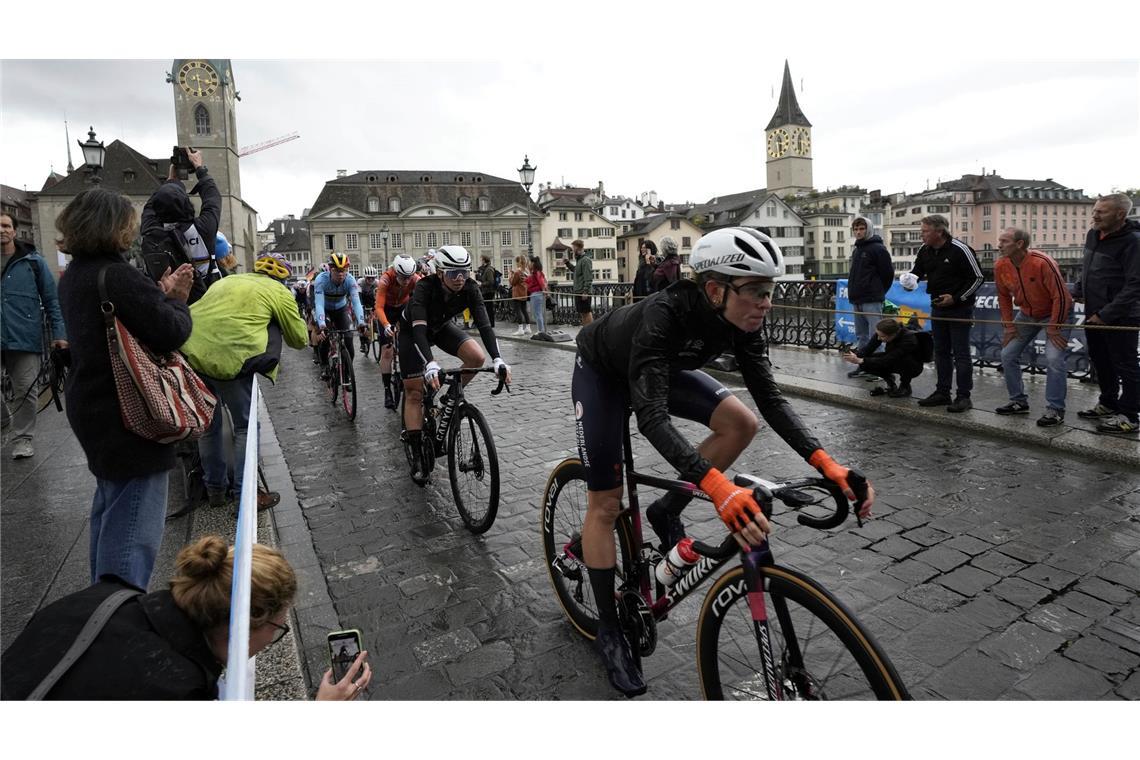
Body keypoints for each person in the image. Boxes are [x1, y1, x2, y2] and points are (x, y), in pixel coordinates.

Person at [572, 226, 873, 697]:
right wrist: (718, 488)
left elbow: (771, 400)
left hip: (661, 368)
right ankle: (609, 632)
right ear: (715, 290)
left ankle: (664, 509)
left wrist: (826, 464)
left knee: (742, 422)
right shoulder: (665, 312)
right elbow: (650, 416)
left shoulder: (744, 322)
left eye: (770, 291)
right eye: (755, 291)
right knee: (606, 504)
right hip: (604, 373)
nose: (766, 302)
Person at [1, 536, 371, 700]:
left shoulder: (106, 597)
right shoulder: (178, 690)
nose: (269, 643)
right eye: (277, 630)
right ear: (246, 624)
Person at [56, 188, 194, 591]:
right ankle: (119, 611)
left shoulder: (75, 275)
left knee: (110, 508)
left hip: (92, 405)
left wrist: (156, 296)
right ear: (114, 228)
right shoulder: (116, 275)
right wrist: (177, 300)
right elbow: (170, 332)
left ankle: (101, 600)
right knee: (134, 524)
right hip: (130, 412)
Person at [180, 252, 309, 508]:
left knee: (209, 426)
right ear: (281, 278)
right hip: (232, 360)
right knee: (245, 429)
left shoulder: (227, 281)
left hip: (193, 354)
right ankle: (245, 496)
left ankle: (215, 490)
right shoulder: (279, 292)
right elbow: (299, 340)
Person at [399, 245, 511, 485]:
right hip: (413, 333)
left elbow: (484, 325)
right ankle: (417, 454)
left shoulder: (470, 287)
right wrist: (429, 363)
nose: (460, 278)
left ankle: (449, 396)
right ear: (440, 273)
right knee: (414, 392)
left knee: (476, 357)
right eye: (452, 273)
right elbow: (419, 330)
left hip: (440, 328)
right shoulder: (424, 288)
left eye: (464, 272)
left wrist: (498, 359)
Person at [1, 213, 68, 460]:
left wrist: (59, 333)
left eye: (6, 225)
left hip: (24, 335)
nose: (2, 230)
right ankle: (4, 420)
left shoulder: (32, 261)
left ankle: (22, 439)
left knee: (25, 390)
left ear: (15, 231)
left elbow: (52, 300)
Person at [993, 227, 1074, 427]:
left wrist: (1054, 326)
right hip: (1027, 314)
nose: (999, 245)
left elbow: (1061, 297)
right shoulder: (1001, 265)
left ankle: (1055, 409)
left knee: (1054, 358)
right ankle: (1018, 401)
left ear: (1019, 244)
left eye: (1004, 241)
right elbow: (1003, 296)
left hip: (1056, 313)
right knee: (1007, 355)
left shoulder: (1042, 262)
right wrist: (1009, 326)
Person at [1074, 193, 1140, 434]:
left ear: (1120, 214)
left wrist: (1107, 313)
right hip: (1093, 311)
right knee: (1101, 361)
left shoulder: (1133, 241)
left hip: (1121, 316)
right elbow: (1087, 266)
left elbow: (1135, 284)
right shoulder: (1094, 234)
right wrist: (1079, 289)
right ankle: (1108, 403)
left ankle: (1130, 416)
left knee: (1127, 365)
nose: (1095, 215)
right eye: (1095, 210)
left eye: (1101, 212)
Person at [905, 214, 983, 413]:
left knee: (961, 353)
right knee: (940, 351)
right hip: (937, 305)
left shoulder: (960, 250)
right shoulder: (925, 250)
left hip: (959, 308)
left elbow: (977, 278)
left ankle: (964, 396)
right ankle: (942, 392)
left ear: (939, 231)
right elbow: (918, 271)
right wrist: (910, 281)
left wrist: (956, 298)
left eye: (925, 231)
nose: (921, 235)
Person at [139, 147, 222, 304]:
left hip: (166, 305)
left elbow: (151, 206)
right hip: (204, 304)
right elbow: (213, 198)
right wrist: (199, 168)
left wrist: (171, 181)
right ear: (187, 204)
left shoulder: (150, 230)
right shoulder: (203, 229)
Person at [846, 216, 894, 378]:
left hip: (872, 299)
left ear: (869, 229)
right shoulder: (857, 249)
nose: (858, 232)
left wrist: (878, 292)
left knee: (878, 335)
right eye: (856, 229)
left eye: (862, 229)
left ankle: (878, 369)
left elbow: (888, 274)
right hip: (857, 299)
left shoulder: (878, 249)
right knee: (862, 336)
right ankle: (864, 365)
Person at [375, 254, 422, 410]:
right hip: (386, 310)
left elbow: (424, 297)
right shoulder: (386, 279)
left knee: (410, 341)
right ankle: (387, 389)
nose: (407, 281)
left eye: (409, 277)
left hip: (403, 307)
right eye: (403, 277)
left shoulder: (415, 278)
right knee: (387, 351)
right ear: (395, 272)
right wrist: (386, 324)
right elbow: (379, 308)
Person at [312, 252, 366, 379]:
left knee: (348, 339)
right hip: (325, 309)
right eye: (337, 270)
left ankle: (347, 372)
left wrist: (361, 321)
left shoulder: (350, 280)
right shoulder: (321, 280)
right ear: (330, 269)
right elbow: (319, 304)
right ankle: (324, 365)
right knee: (325, 337)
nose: (341, 274)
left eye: (344, 270)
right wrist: (322, 324)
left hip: (341, 309)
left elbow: (356, 303)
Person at [842, 318, 924, 397]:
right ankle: (890, 380)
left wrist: (861, 360)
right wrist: (855, 355)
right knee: (866, 363)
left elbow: (888, 359)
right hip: (892, 359)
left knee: (904, 361)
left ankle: (905, 387)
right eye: (878, 335)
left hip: (912, 366)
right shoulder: (882, 332)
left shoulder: (908, 340)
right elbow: (869, 348)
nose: (878, 338)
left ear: (893, 335)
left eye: (882, 336)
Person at [566, 239, 594, 325]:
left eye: (573, 248)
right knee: (583, 313)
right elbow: (576, 271)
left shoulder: (585, 260)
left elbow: (588, 277)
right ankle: (585, 331)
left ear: (578, 248)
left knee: (586, 312)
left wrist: (585, 291)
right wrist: (567, 263)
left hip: (583, 292)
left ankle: (590, 332)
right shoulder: (580, 260)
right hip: (578, 291)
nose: (572, 250)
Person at [509, 254, 532, 336]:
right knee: (524, 310)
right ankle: (528, 327)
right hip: (524, 293)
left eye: (517, 262)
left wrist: (510, 275)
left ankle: (520, 329)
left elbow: (513, 283)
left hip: (517, 293)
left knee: (518, 311)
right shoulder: (526, 272)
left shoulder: (517, 272)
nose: (516, 264)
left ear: (519, 262)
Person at [358, 265, 379, 352]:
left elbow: (379, 296)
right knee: (361, 320)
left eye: (372, 278)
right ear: (365, 277)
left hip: (371, 299)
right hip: (362, 298)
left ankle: (376, 329)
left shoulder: (377, 283)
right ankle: (363, 343)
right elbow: (357, 297)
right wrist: (360, 307)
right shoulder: (360, 282)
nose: (370, 280)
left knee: (376, 315)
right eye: (368, 278)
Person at [527, 257, 548, 335]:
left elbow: (541, 282)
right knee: (538, 313)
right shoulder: (537, 272)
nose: (529, 264)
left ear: (533, 263)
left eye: (530, 262)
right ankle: (541, 329)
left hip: (536, 294)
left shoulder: (536, 273)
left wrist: (544, 290)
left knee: (537, 313)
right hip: (537, 294)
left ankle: (540, 330)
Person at [476, 255, 498, 327]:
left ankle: (491, 324)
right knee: (487, 308)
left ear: (484, 260)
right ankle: (489, 323)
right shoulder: (485, 269)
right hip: (486, 291)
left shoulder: (489, 269)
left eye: (481, 260)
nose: (481, 261)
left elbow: (491, 281)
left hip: (489, 291)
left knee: (489, 308)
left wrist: (481, 284)